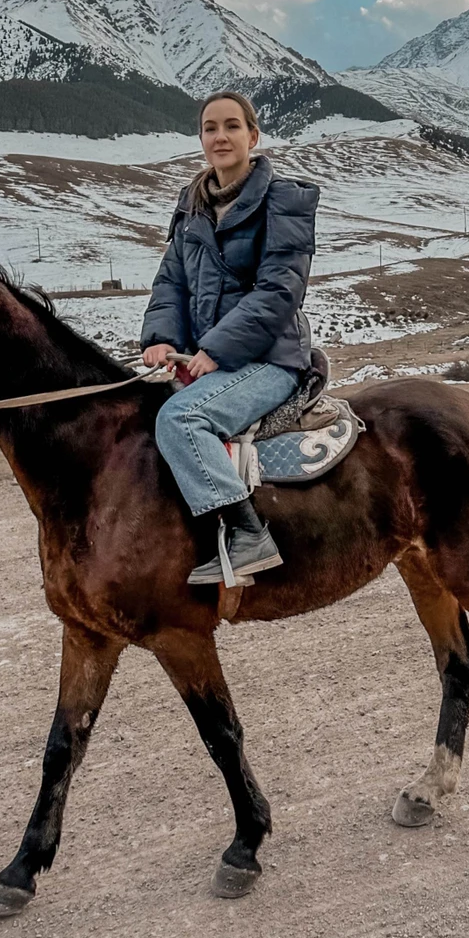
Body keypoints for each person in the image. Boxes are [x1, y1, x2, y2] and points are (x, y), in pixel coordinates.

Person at [140, 91, 318, 584]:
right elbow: (171, 282)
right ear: (200, 139)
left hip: (270, 359)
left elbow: (280, 291)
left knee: (181, 417)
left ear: (252, 136)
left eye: (232, 126)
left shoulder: (284, 201)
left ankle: (248, 534)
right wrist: (160, 336)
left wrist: (217, 350)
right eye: (210, 128)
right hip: (206, 356)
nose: (220, 136)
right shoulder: (192, 206)